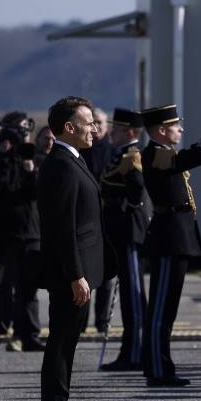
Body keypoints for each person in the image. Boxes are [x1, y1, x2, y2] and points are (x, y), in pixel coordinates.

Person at [38, 96, 114, 401]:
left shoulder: (73, 160)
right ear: (69, 127)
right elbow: (61, 228)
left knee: (66, 345)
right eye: (88, 122)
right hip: (72, 276)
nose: (94, 128)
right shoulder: (61, 166)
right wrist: (75, 274)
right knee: (60, 346)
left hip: (79, 272)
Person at [141, 97, 201, 387]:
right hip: (168, 237)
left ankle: (160, 367)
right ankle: (158, 369)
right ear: (161, 130)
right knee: (161, 309)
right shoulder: (153, 153)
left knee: (167, 309)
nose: (180, 129)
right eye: (175, 125)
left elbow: (187, 158)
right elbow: (193, 157)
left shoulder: (162, 152)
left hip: (176, 235)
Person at [0, 114, 43, 353]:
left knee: (28, 289)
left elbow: (38, 192)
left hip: (29, 234)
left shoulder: (32, 159)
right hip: (2, 234)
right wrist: (4, 158)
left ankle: (30, 336)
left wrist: (30, 170)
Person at [99, 108, 149, 371]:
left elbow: (136, 187)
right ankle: (129, 351)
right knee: (129, 295)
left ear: (129, 132)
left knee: (133, 295)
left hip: (128, 230)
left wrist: (126, 207)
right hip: (118, 232)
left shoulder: (132, 155)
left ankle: (136, 353)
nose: (111, 133)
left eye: (116, 129)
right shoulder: (119, 154)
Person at [83, 107, 118, 336]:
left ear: (107, 126)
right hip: (87, 221)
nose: (96, 127)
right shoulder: (81, 151)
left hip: (108, 220)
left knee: (107, 275)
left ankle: (102, 321)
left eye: (100, 123)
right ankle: (81, 321)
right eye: (92, 122)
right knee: (85, 274)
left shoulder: (114, 152)